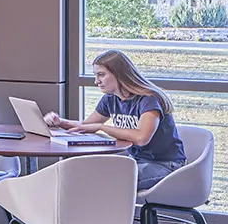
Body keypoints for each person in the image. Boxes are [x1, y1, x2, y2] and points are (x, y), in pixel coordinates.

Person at [44, 49, 186, 190]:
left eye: (101, 75)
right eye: (95, 75)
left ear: (119, 74)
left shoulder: (148, 99)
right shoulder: (110, 99)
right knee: (85, 175)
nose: (96, 81)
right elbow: (86, 125)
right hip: (135, 160)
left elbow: (142, 138)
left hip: (166, 165)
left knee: (105, 182)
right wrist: (60, 122)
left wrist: (102, 127)